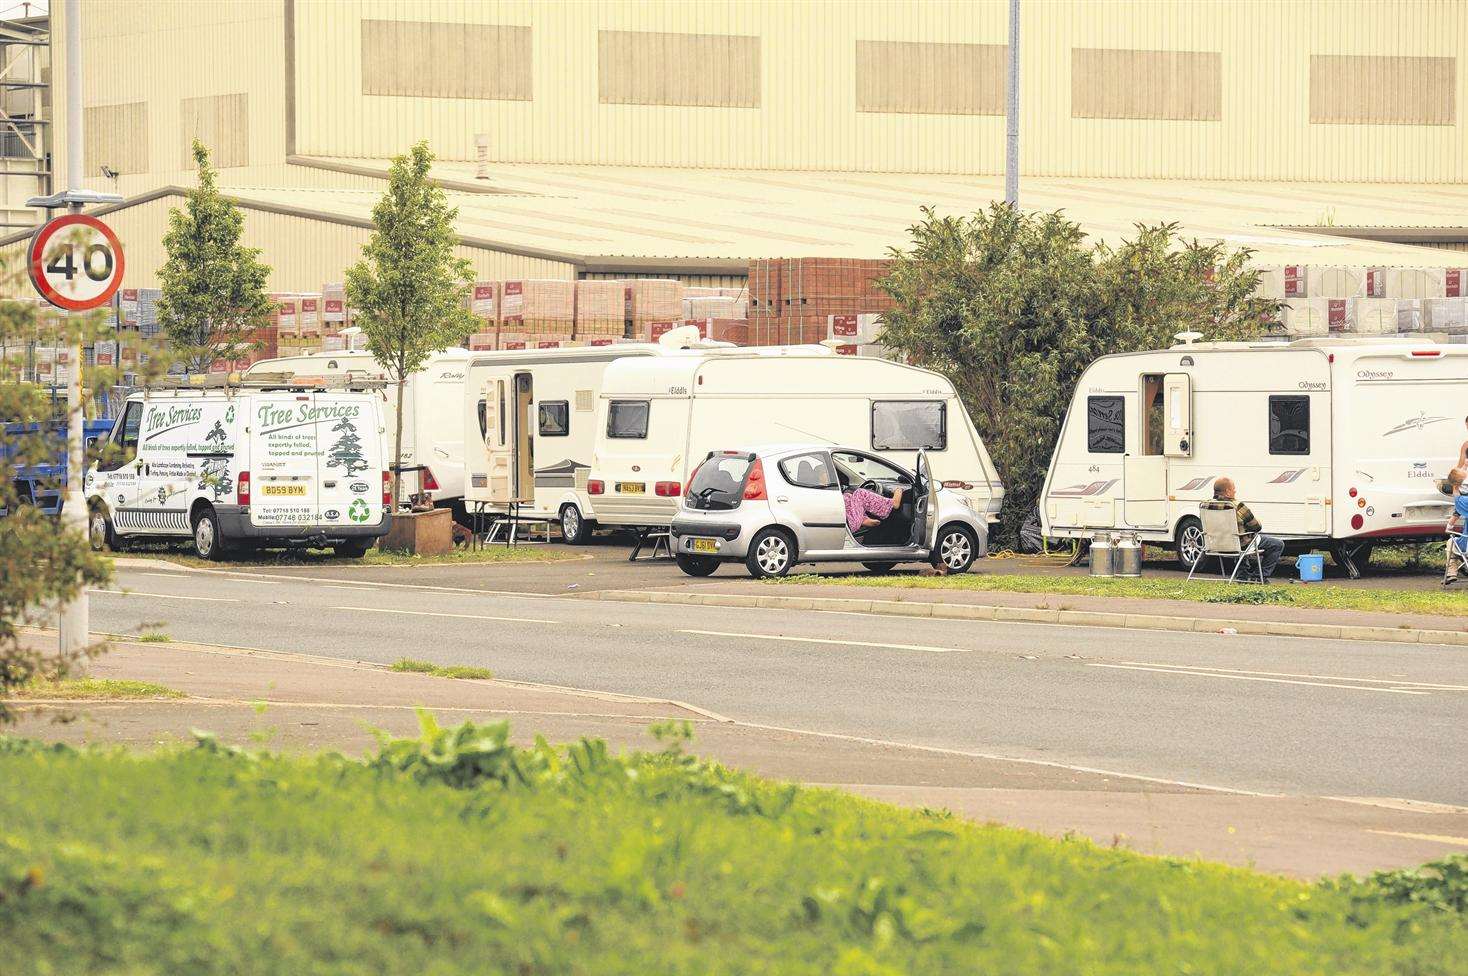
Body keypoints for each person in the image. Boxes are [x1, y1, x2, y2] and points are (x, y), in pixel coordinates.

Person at [1201, 477, 1283, 581]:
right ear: (1227, 491)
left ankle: (1242, 575)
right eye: (1233, 488)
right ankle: (1259, 577)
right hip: (1238, 545)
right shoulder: (1236, 505)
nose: (1235, 490)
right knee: (1277, 544)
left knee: (1241, 537)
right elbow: (1256, 527)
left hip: (1215, 544)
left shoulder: (1206, 505)